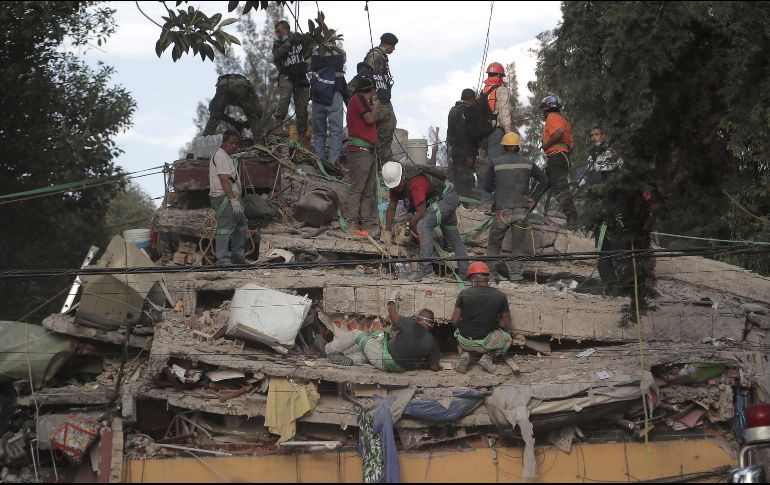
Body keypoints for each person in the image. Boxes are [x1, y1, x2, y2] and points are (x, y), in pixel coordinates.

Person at [381, 160, 470, 282]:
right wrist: (387, 229)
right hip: (439, 200)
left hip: (445, 199)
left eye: (398, 185)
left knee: (423, 226)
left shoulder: (416, 182)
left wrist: (411, 225)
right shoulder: (395, 184)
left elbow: (421, 212)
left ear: (403, 176)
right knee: (452, 236)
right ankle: (466, 272)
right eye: (393, 187)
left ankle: (426, 269)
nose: (397, 189)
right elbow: (391, 207)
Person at [484, 132, 549, 282]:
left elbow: (487, 187)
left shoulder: (496, 162)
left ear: (504, 146)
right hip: (521, 211)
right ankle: (516, 276)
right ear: (518, 146)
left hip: (502, 212)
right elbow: (545, 181)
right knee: (518, 246)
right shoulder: (528, 162)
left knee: (494, 244)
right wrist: (534, 197)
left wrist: (499, 188)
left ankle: (492, 275)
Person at [320, 292, 441, 372]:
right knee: (368, 350)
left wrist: (392, 300)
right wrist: (422, 364)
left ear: (418, 319)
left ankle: (327, 349)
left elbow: (393, 315)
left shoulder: (411, 324)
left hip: (384, 358)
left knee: (356, 334)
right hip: (392, 367)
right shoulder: (434, 344)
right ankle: (350, 359)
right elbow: (434, 368)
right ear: (432, 325)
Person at [580, 126, 625, 289]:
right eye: (591, 135)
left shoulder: (611, 155)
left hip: (612, 209)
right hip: (598, 211)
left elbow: (614, 184)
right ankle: (609, 283)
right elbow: (588, 181)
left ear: (604, 136)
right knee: (602, 249)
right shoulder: (591, 158)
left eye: (597, 134)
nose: (593, 137)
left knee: (618, 247)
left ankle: (623, 283)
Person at [451, 262, 514, 375]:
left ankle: (465, 355)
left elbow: (454, 321)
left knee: (459, 335)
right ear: (487, 278)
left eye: (470, 279)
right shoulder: (500, 296)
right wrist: (493, 322)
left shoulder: (464, 293)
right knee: (507, 338)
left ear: (474, 278)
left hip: (464, 341)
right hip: (484, 342)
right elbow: (506, 323)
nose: (470, 282)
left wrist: (464, 328)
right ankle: (488, 358)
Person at [307, 14, 347, 165]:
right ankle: (332, 163)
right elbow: (342, 56)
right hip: (334, 96)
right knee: (336, 132)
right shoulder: (339, 53)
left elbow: (307, 65)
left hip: (318, 97)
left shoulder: (315, 53)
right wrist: (324, 27)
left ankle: (320, 162)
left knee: (319, 133)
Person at [477, 62, 517, 202]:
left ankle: (490, 197)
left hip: (483, 135)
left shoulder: (483, 91)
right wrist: (508, 134)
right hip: (496, 133)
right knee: (496, 165)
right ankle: (488, 199)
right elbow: (505, 113)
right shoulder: (502, 90)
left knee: (489, 164)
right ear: (500, 76)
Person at [344, 77, 379, 233]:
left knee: (368, 190)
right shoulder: (356, 100)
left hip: (369, 151)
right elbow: (370, 119)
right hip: (360, 151)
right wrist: (375, 107)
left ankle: (365, 222)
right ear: (371, 90)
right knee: (358, 188)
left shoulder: (364, 102)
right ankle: (353, 222)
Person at [208, 130, 248, 265]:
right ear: (224, 142)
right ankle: (223, 260)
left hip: (232, 197)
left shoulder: (227, 157)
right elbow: (224, 180)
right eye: (231, 143)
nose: (234, 146)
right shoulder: (220, 156)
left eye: (236, 143)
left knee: (240, 225)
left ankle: (238, 256)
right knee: (224, 228)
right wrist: (232, 200)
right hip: (223, 198)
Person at [540, 95, 577, 224]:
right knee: (543, 182)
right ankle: (527, 208)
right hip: (563, 157)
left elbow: (558, 132)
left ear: (546, 109)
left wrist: (546, 145)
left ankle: (572, 217)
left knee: (560, 187)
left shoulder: (552, 118)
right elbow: (571, 145)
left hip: (556, 156)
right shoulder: (564, 121)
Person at [272, 20, 311, 142]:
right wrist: (289, 42)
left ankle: (302, 137)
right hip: (286, 76)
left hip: (300, 77)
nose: (277, 34)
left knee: (302, 109)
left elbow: (310, 44)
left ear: (286, 30)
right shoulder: (277, 44)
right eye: (276, 32)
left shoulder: (299, 39)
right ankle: (279, 126)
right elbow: (277, 55)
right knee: (285, 95)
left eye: (279, 31)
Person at [363, 33, 398, 164]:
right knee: (384, 128)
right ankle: (381, 161)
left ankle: (384, 160)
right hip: (378, 100)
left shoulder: (381, 57)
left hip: (384, 99)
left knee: (390, 124)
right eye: (393, 46)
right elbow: (368, 77)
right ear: (387, 44)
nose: (393, 49)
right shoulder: (374, 56)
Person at [202, 74, 263, 139]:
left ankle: (205, 142)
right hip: (240, 84)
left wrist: (235, 122)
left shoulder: (232, 95)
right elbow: (257, 112)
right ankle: (260, 141)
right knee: (252, 115)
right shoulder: (248, 95)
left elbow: (215, 112)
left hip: (223, 84)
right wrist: (235, 122)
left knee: (214, 117)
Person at [446, 88, 479, 200]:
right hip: (463, 152)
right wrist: (470, 154)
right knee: (465, 179)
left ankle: (457, 201)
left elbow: (450, 133)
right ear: (472, 99)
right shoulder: (466, 111)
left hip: (454, 150)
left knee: (456, 177)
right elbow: (466, 134)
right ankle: (463, 203)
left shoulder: (452, 110)